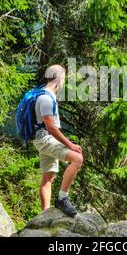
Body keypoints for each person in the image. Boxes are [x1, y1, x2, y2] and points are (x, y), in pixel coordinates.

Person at [32, 65, 83, 217]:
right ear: (59, 78)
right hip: (45, 139)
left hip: (43, 139)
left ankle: (45, 215)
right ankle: (62, 198)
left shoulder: (45, 94)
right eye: (64, 77)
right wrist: (70, 145)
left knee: (48, 177)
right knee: (77, 159)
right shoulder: (46, 98)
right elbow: (51, 128)